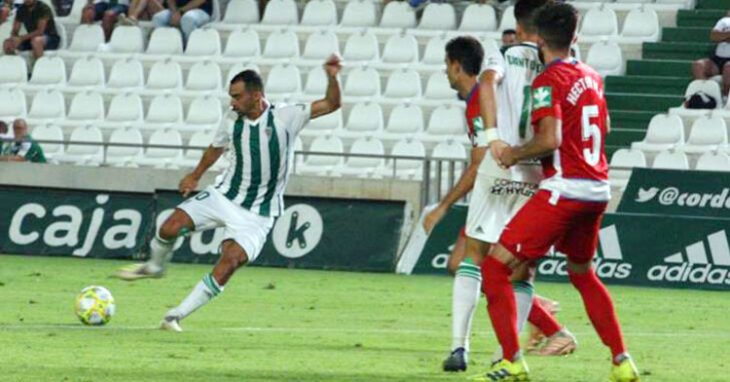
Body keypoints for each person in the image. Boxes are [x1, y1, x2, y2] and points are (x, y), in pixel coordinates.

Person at [113, 54, 342, 332]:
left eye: (236, 96)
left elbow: (331, 104)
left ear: (256, 96)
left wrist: (332, 77)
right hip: (224, 195)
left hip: (258, 214)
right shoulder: (231, 118)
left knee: (230, 261)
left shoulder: (286, 116)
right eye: (231, 96)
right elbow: (216, 147)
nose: (231, 102)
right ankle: (156, 266)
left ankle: (174, 316)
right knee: (170, 227)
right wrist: (195, 175)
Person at [477, 3, 640, 381]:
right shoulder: (592, 76)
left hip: (564, 190)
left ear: (536, 39)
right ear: (575, 38)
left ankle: (512, 361)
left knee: (494, 267)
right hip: (598, 189)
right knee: (583, 274)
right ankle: (621, 361)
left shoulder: (548, 81)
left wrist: (510, 152)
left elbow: (549, 139)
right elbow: (607, 126)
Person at [427, 3, 574, 370]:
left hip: (501, 162)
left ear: (518, 25)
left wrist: (493, 136)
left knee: (471, 258)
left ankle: (459, 348)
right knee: (522, 269)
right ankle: (507, 354)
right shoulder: (559, 64)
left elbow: (488, 82)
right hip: (537, 170)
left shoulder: (503, 54)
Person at [693, 10, 730, 97]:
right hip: (718, 59)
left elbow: (719, 36)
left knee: (728, 68)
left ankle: (725, 98)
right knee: (698, 66)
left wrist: (723, 37)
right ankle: (705, 97)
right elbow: (714, 36)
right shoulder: (724, 21)